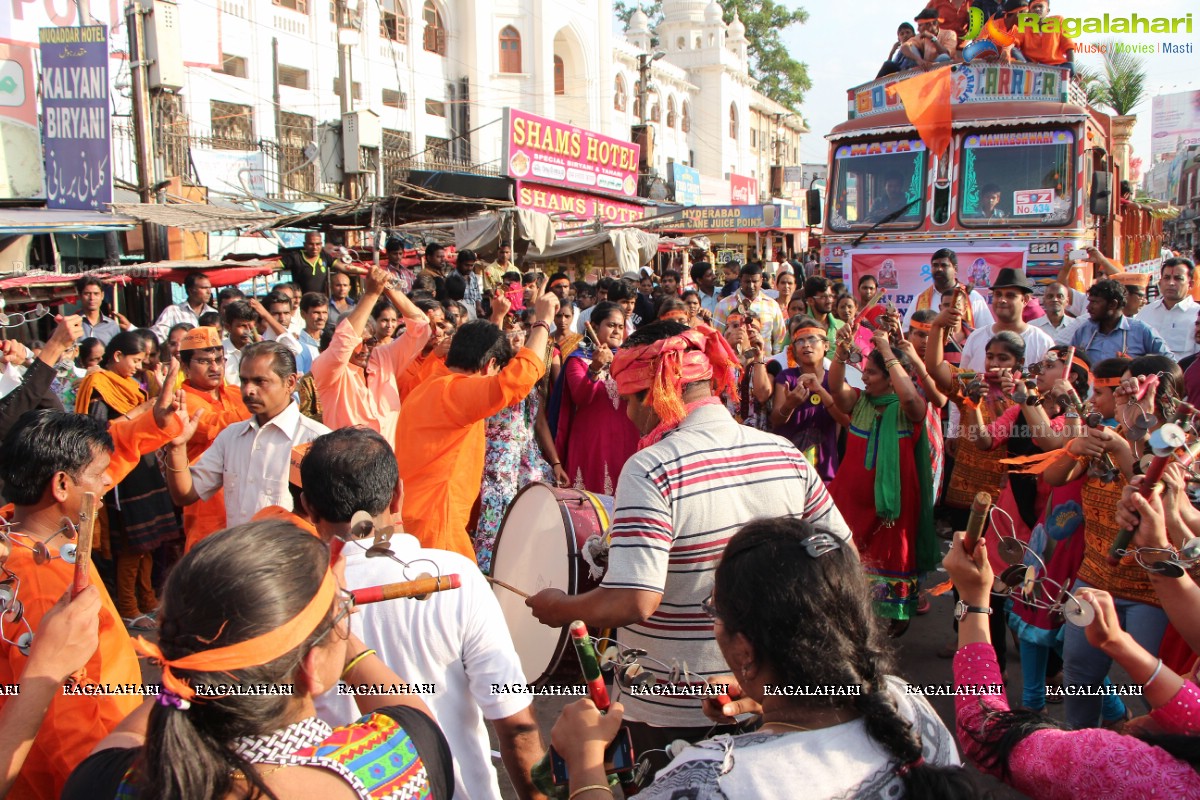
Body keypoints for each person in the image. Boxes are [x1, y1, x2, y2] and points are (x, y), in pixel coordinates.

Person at [528, 320, 851, 764]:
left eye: (627, 399)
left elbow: (635, 599)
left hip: (674, 704)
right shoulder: (783, 453)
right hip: (772, 695)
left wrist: (560, 607)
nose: (625, 413)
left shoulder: (652, 468)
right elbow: (842, 560)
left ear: (655, 393)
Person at [552, 517, 968, 799]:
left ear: (745, 651)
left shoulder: (715, 777)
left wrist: (585, 764)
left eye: (715, 609)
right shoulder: (907, 706)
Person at [61, 520, 454, 800]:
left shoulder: (112, 782)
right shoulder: (389, 770)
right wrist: (342, 627)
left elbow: (130, 734)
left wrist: (325, 620)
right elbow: (410, 715)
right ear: (310, 666)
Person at [304, 428, 545, 800]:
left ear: (308, 507)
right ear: (398, 494)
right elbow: (515, 725)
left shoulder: (290, 599)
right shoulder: (457, 576)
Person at [943, 516, 1200, 797]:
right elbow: (1191, 708)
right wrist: (1118, 643)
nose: (1186, 678)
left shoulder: (1124, 769)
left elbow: (984, 733)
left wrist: (972, 602)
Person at [0, 411, 140, 800]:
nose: (110, 481)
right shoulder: (45, 590)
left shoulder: (14, 532)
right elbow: (66, 729)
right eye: (100, 473)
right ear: (62, 484)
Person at [396, 289, 559, 559]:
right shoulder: (456, 393)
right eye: (496, 368)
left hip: (415, 514)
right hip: (438, 523)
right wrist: (542, 322)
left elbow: (486, 366)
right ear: (491, 365)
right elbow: (518, 380)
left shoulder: (430, 381)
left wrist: (497, 317)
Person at [828, 326, 936, 635]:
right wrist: (839, 351)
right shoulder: (860, 402)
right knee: (850, 556)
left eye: (872, 373)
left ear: (890, 376)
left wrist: (888, 352)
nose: (864, 377)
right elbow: (836, 387)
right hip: (851, 501)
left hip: (893, 505)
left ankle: (894, 612)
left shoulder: (909, 409)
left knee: (892, 553)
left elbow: (908, 392)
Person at [75, 331, 181, 628]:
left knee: (150, 543)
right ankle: (128, 607)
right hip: (121, 472)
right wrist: (141, 411)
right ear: (117, 356)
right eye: (135, 359)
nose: (138, 365)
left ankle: (148, 601)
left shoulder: (129, 385)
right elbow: (95, 431)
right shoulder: (98, 385)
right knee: (133, 546)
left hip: (143, 465)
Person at [164, 341, 331, 528]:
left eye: (260, 381)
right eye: (244, 381)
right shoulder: (231, 437)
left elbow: (330, 519)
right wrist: (177, 447)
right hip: (239, 553)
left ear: (290, 383)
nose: (249, 390)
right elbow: (185, 494)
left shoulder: (316, 441)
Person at [552, 301, 640, 494]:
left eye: (620, 326)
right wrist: (594, 368)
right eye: (611, 325)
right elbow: (580, 397)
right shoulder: (578, 359)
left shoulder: (630, 359)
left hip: (627, 441)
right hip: (592, 442)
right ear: (593, 325)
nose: (617, 331)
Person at [176, 327, 250, 552]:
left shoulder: (238, 393)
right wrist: (263, 403)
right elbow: (212, 425)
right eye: (204, 361)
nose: (215, 367)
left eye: (219, 359)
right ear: (186, 367)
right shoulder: (181, 401)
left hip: (246, 495)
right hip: (208, 502)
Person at [770, 317, 842, 481]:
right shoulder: (786, 378)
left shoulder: (835, 380)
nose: (806, 345)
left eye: (812, 339)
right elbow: (776, 420)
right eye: (800, 341)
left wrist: (820, 391)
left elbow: (844, 422)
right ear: (794, 350)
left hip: (826, 469)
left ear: (826, 346)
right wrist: (789, 405)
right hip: (789, 469)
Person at [958, 268, 1055, 372]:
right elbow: (962, 381)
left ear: (1025, 300)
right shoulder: (976, 337)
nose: (1002, 300)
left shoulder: (1042, 341)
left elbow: (1050, 383)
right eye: (998, 294)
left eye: (1010, 295)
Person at [1070, 279, 1173, 362]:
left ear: (1113, 304)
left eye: (1095, 302)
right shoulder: (1083, 331)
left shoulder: (1142, 331)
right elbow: (1071, 363)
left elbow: (1169, 364)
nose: (1088, 307)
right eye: (1090, 302)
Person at [902, 248, 995, 330]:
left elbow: (987, 331)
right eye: (935, 265)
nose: (939, 269)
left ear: (955, 269)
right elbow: (907, 332)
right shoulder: (920, 299)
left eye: (944, 265)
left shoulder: (973, 297)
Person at [713, 262, 785, 354]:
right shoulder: (724, 305)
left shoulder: (772, 305)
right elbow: (717, 338)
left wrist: (775, 363)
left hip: (764, 362)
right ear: (740, 280)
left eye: (755, 281)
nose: (751, 286)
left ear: (761, 281)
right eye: (747, 281)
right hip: (735, 364)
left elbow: (779, 340)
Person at [1137, 257, 1198, 359]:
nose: (1171, 283)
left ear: (1190, 284)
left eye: (1178, 278)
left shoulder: (1196, 315)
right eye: (1167, 278)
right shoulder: (1146, 312)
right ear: (1160, 282)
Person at [1009, 0, 1075, 69]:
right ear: (1030, 12)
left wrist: (1073, 67)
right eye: (1034, 7)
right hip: (1031, 65)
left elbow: (1069, 46)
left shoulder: (1058, 20)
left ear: (1047, 11)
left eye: (1040, 6)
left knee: (1070, 66)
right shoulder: (1024, 26)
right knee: (1012, 49)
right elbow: (1014, 42)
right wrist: (1006, 52)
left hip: (1056, 65)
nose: (1037, 9)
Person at [149, 272, 213, 341]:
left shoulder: (212, 312)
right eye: (204, 288)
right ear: (191, 291)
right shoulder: (173, 311)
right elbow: (158, 336)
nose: (209, 292)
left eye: (209, 288)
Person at [280, 231, 335, 295]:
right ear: (305, 244)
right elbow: (275, 264)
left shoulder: (324, 256)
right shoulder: (295, 257)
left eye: (317, 244)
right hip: (301, 301)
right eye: (311, 244)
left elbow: (343, 266)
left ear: (321, 244)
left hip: (320, 301)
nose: (314, 247)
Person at [75, 276, 120, 345]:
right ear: (80, 296)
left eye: (96, 294)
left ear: (102, 296)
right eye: (87, 294)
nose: (92, 298)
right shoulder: (72, 324)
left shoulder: (112, 326)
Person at [296, 292, 330, 375]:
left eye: (324, 312)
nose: (321, 317)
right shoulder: (298, 347)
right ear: (303, 314)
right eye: (316, 313)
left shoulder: (331, 340)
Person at [803, 276, 846, 343]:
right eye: (823, 297)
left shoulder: (841, 326)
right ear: (810, 301)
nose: (829, 301)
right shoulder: (799, 326)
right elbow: (783, 352)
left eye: (831, 296)